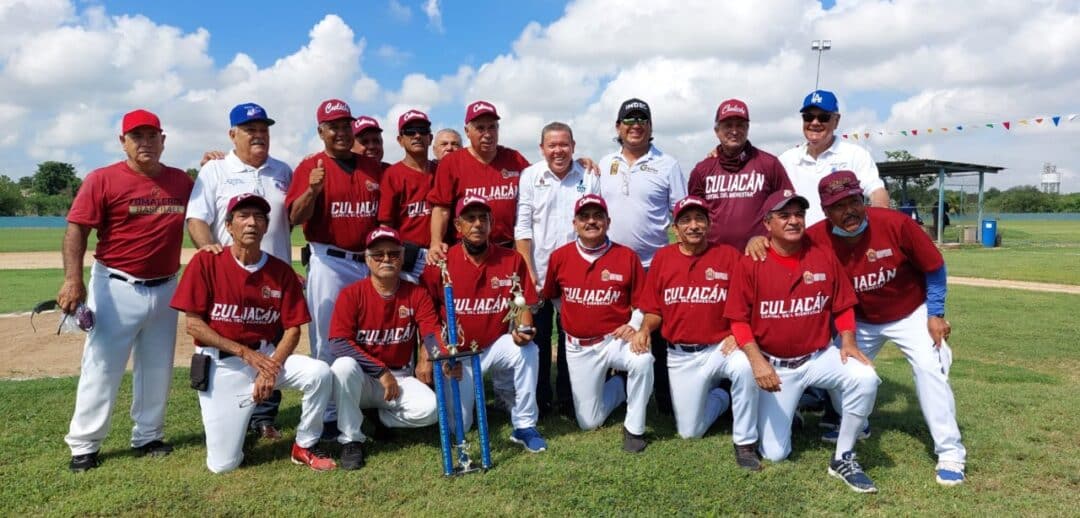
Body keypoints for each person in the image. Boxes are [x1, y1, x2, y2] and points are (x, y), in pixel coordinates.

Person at [806, 171, 967, 486]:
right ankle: (859, 422)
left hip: (910, 312)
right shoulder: (815, 237)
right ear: (826, 212)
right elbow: (780, 247)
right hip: (858, 322)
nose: (849, 210)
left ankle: (950, 452)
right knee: (844, 379)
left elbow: (934, 267)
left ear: (863, 200)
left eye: (854, 201)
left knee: (929, 369)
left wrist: (935, 313)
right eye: (839, 206)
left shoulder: (896, 224)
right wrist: (759, 240)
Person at [59, 109, 194, 472]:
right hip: (116, 284)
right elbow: (76, 231)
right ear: (123, 142)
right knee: (102, 367)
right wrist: (73, 279)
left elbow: (207, 210)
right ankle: (85, 445)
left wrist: (212, 163)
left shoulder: (181, 181)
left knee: (157, 367)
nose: (145, 143)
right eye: (137, 137)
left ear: (163, 140)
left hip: (166, 286)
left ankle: (148, 436)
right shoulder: (102, 179)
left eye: (152, 136)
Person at [723, 190, 881, 493]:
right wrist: (757, 362)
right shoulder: (751, 261)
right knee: (776, 454)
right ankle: (790, 410)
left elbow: (843, 305)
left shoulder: (822, 255)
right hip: (775, 365)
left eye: (799, 214)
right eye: (784, 215)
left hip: (818, 356)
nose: (794, 221)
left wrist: (847, 341)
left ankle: (844, 456)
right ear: (767, 224)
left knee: (866, 378)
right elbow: (738, 320)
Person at [171, 193, 335, 473]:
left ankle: (304, 444)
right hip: (222, 364)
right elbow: (194, 325)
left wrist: (270, 369)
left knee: (319, 373)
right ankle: (237, 422)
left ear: (266, 227)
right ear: (229, 225)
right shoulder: (206, 262)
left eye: (259, 217)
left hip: (265, 356)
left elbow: (293, 329)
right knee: (223, 465)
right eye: (243, 216)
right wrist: (246, 354)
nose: (251, 223)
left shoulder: (280, 271)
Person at [186, 102, 293, 439]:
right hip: (231, 279)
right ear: (233, 135)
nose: (258, 136)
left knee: (271, 347)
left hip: (274, 277)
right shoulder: (215, 170)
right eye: (250, 130)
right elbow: (197, 218)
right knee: (233, 349)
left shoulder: (282, 171)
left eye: (263, 130)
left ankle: (264, 418)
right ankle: (234, 418)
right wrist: (207, 250)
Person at [635, 196, 760, 469]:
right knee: (690, 432)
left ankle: (746, 443)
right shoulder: (663, 258)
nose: (694, 226)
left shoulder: (727, 255)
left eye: (700, 219)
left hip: (720, 348)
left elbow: (748, 302)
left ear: (709, 223)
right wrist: (645, 328)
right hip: (681, 355)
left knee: (744, 367)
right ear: (675, 228)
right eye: (686, 220)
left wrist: (736, 333)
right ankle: (722, 397)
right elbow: (654, 309)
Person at [284, 99, 384, 433]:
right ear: (321, 131)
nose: (340, 132)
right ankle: (328, 414)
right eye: (333, 126)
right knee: (328, 338)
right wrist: (312, 191)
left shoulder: (371, 167)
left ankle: (362, 403)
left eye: (345, 125)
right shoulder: (310, 166)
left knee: (367, 335)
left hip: (368, 261)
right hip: (329, 260)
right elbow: (293, 219)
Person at [419, 195, 547, 453]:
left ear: (491, 223)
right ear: (458, 225)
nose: (477, 224)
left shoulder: (511, 259)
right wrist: (437, 354)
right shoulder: (440, 262)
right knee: (460, 429)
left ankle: (524, 425)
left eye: (483, 218)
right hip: (457, 354)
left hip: (492, 346)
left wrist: (524, 330)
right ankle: (473, 404)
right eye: (470, 218)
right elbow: (426, 314)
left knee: (528, 351)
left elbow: (522, 303)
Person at [596, 98, 687, 417]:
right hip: (613, 262)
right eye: (628, 120)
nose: (635, 125)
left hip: (654, 262)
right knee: (620, 327)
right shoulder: (603, 163)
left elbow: (681, 212)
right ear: (618, 127)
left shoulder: (668, 164)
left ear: (650, 127)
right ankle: (622, 392)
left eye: (642, 120)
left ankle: (663, 398)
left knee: (657, 332)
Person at [541, 194, 653, 452]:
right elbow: (553, 294)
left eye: (597, 216)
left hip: (614, 341)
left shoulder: (626, 256)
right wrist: (571, 314)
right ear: (575, 223)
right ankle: (621, 386)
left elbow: (644, 300)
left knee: (642, 360)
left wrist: (635, 324)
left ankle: (634, 429)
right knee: (589, 422)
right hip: (579, 346)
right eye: (584, 217)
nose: (591, 221)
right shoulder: (560, 257)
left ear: (608, 221)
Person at [328, 227, 442, 470]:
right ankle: (351, 439)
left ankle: (377, 418)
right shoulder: (351, 294)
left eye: (393, 253)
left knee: (431, 410)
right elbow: (338, 342)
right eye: (378, 255)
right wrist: (380, 371)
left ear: (402, 258)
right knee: (343, 367)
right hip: (365, 378)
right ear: (367, 259)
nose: (386, 259)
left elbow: (431, 332)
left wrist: (430, 356)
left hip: (400, 375)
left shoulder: (416, 293)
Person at [514, 122, 599, 418]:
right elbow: (523, 225)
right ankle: (539, 399)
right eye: (552, 145)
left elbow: (595, 220)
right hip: (536, 269)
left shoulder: (588, 174)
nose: (558, 150)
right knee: (535, 338)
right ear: (542, 149)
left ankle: (567, 397)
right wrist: (526, 267)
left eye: (564, 144)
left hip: (574, 272)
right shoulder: (530, 175)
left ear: (574, 146)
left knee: (569, 338)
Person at [427, 101, 530, 261]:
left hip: (507, 249)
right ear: (467, 131)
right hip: (468, 250)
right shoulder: (452, 162)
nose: (487, 134)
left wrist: (576, 165)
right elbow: (441, 208)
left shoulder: (514, 159)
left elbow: (541, 181)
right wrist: (435, 242)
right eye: (480, 128)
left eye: (492, 127)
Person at [688, 99, 794, 250]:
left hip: (760, 254)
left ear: (748, 128)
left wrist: (768, 237)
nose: (734, 131)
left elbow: (789, 208)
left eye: (740, 125)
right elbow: (693, 215)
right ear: (716, 131)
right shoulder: (702, 170)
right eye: (728, 125)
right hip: (714, 257)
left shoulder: (769, 164)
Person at [778, 89, 889, 225]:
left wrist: (879, 219)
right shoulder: (786, 160)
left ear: (836, 120)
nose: (814, 122)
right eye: (808, 117)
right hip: (800, 242)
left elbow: (877, 191)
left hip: (844, 241)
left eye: (823, 117)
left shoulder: (855, 155)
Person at [378, 109, 447, 281]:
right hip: (408, 255)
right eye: (410, 131)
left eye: (422, 130)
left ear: (430, 138)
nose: (417, 135)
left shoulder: (442, 171)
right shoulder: (393, 174)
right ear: (400, 140)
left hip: (441, 252)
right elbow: (386, 225)